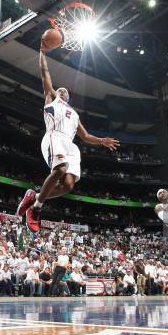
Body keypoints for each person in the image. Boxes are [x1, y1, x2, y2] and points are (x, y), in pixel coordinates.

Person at [16, 49, 119, 233]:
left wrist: (101, 140)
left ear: (68, 97)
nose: (61, 91)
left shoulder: (75, 114)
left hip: (71, 146)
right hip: (54, 136)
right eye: (59, 89)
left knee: (68, 185)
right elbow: (44, 72)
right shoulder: (51, 99)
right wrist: (42, 52)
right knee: (60, 169)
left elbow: (85, 136)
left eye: (64, 91)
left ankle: (34, 197)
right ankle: (35, 209)